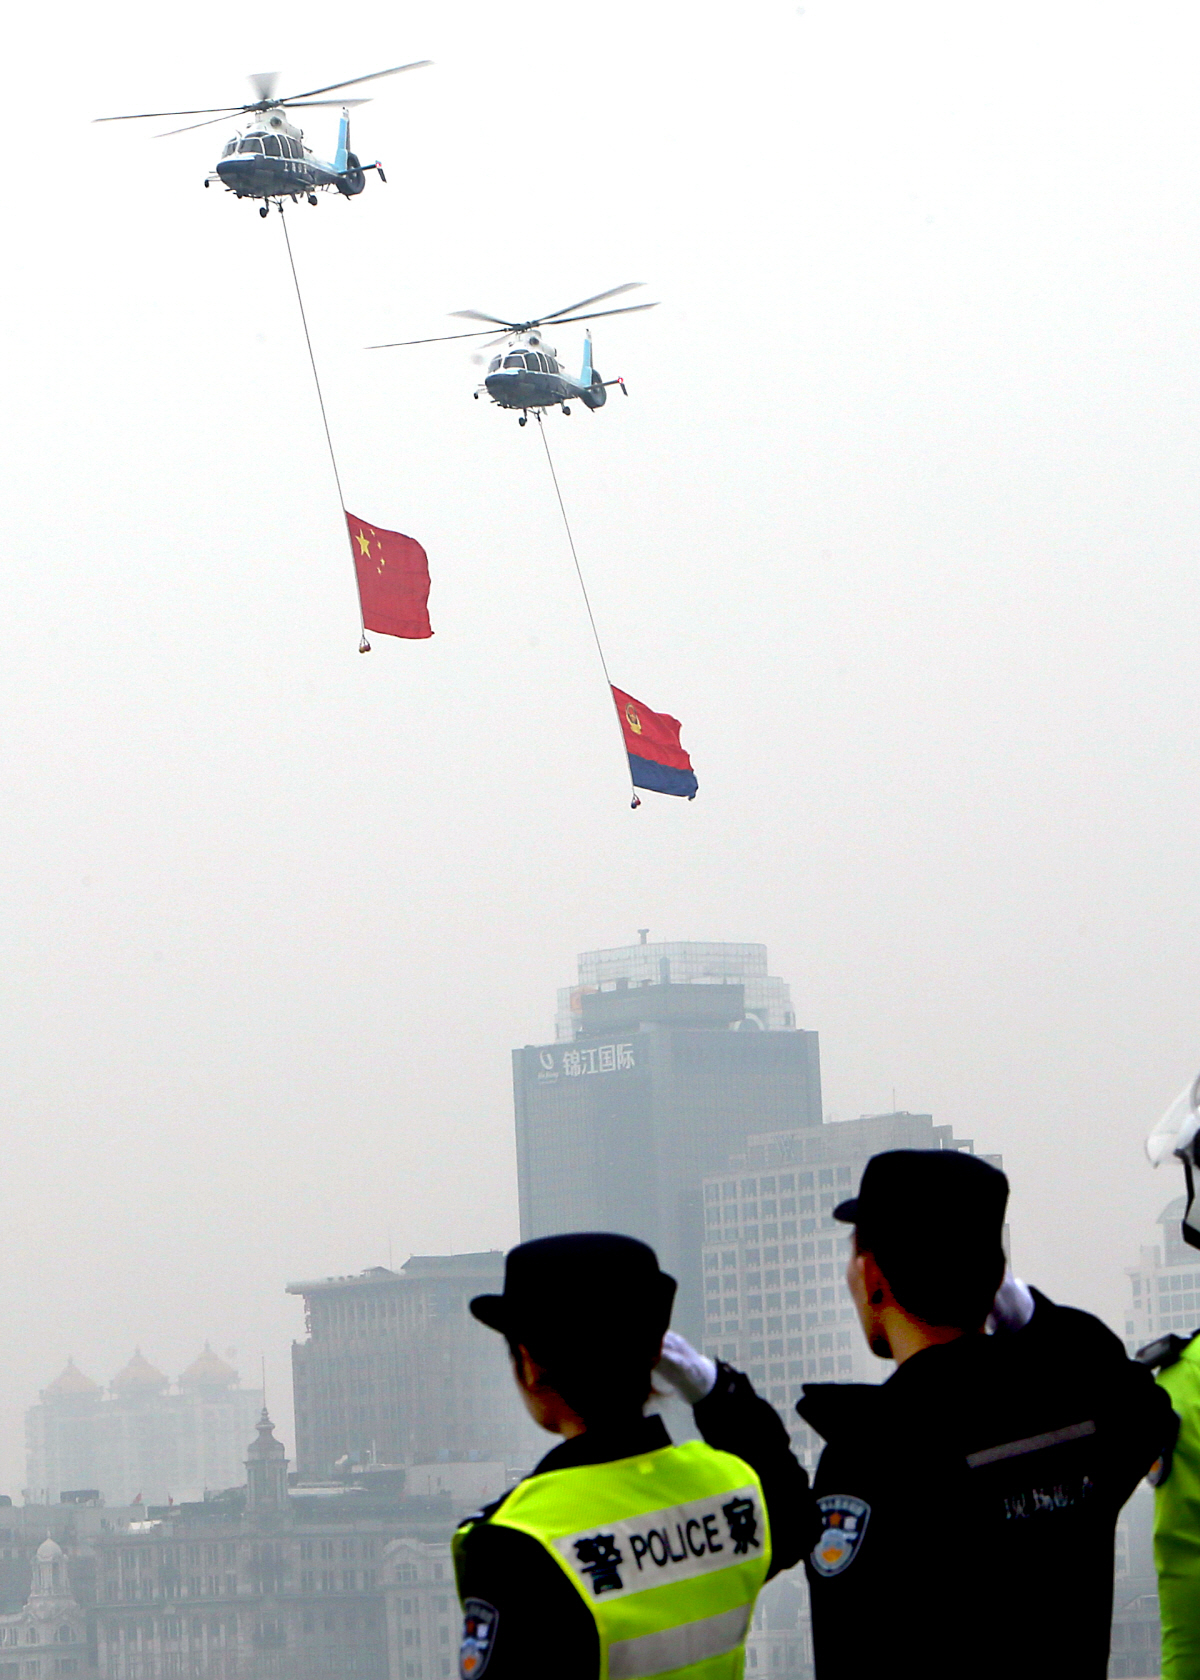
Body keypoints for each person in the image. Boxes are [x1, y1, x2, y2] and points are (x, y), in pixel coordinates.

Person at [796, 1149, 1176, 1680]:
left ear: (872, 1274)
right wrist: (1034, 1317)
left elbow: (852, 1651)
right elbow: (1143, 1404)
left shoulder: (873, 1451)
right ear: (997, 1275)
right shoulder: (1072, 1418)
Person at [453, 1232, 816, 1680]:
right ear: (656, 1354)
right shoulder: (729, 1488)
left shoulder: (517, 1539)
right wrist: (716, 1391)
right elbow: (799, 1515)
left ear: (528, 1362)